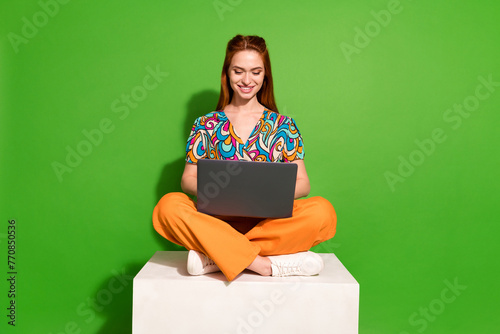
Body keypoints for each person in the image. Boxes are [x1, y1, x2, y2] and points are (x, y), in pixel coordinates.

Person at [152, 34, 337, 281]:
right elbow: (187, 179)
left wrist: (264, 192)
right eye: (238, 71)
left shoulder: (284, 125)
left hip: (269, 225)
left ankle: (217, 255)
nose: (247, 80)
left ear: (265, 75)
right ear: (227, 73)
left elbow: (303, 183)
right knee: (169, 206)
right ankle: (263, 264)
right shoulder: (206, 124)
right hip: (217, 223)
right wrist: (225, 189)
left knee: (322, 211)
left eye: (255, 72)